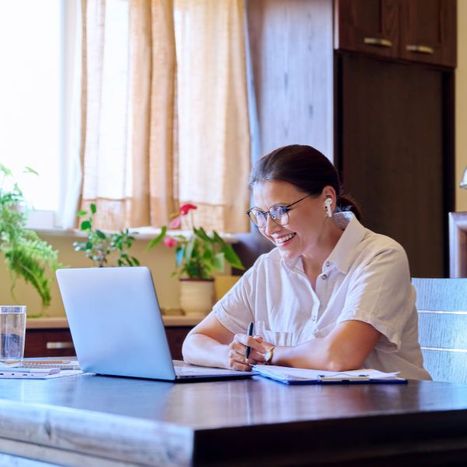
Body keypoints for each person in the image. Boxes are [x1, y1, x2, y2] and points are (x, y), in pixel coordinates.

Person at [182, 144, 431, 380]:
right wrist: (229, 355)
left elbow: (339, 356)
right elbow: (195, 342)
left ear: (327, 200)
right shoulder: (268, 268)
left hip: (389, 417)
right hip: (305, 414)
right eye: (260, 214)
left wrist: (269, 354)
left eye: (281, 211)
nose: (269, 228)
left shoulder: (380, 256)